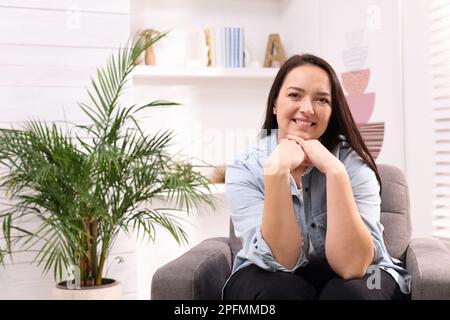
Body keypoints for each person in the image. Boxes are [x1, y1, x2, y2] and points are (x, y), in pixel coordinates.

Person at [222, 54, 411, 300]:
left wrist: (335, 172)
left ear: (332, 110)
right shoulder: (244, 166)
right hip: (268, 271)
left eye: (321, 99)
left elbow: (354, 266)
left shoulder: (353, 165)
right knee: (274, 291)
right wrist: (277, 172)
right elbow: (280, 261)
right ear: (275, 104)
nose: (308, 109)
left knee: (356, 292)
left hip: (366, 272)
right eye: (295, 95)